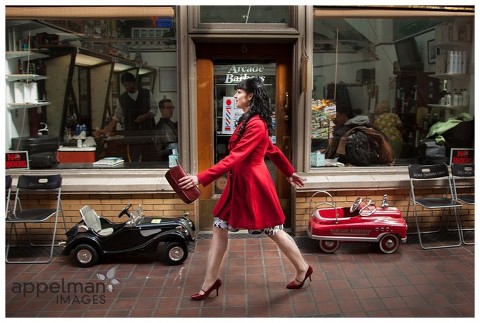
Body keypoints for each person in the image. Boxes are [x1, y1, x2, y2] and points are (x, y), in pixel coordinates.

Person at [178, 77, 312, 300]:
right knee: (220, 227)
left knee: (274, 230)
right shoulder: (249, 120)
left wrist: (200, 178)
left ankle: (302, 268)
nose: (236, 96)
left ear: (250, 96)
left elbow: (237, 156)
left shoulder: (256, 123)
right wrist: (289, 172)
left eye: (239, 92)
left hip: (252, 185)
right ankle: (210, 281)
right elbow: (272, 150)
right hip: (240, 182)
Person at [100, 72, 158, 161]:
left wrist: (145, 116)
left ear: (134, 82)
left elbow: (154, 110)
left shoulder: (146, 93)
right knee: (133, 158)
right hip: (131, 134)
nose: (127, 87)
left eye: (129, 84)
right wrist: (107, 129)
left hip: (147, 132)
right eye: (125, 85)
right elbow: (117, 116)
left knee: (149, 157)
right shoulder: (122, 98)